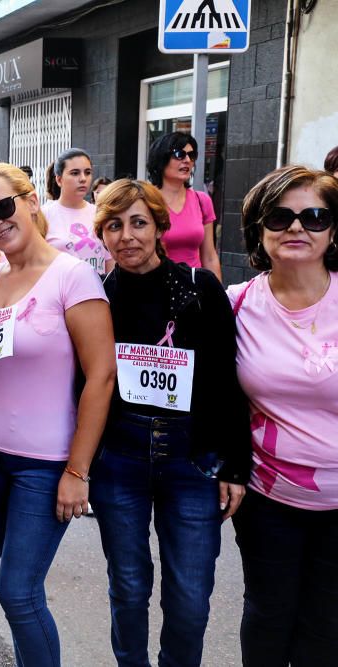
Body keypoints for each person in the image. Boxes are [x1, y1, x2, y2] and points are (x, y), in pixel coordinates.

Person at [92, 178, 250, 667]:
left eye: (138, 222)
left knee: (189, 598)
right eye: (114, 226)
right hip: (120, 457)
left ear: (159, 226)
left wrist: (234, 466)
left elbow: (228, 379)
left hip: (191, 459)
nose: (127, 236)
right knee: (129, 587)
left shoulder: (200, 289)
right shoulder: (96, 297)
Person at [0, 163, 115, 666]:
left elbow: (102, 378)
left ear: (31, 202)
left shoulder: (74, 277)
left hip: (45, 463)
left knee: (17, 593)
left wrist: (77, 471)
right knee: (20, 585)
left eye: (3, 207)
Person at [228, 166, 338, 665]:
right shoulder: (236, 305)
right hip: (268, 497)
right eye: (280, 216)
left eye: (315, 217)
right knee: (269, 615)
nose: (297, 228)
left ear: (333, 229)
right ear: (259, 229)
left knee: (326, 625)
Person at [147, 132, 221, 280]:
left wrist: (218, 296)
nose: (187, 160)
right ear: (161, 158)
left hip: (195, 288)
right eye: (180, 154)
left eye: (191, 155)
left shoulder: (202, 200)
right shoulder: (146, 201)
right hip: (157, 287)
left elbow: (210, 256)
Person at [43, 148, 113, 275]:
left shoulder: (101, 214)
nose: (83, 178)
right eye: (75, 173)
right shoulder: (44, 215)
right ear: (59, 179)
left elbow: (110, 261)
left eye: (87, 172)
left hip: (96, 291)